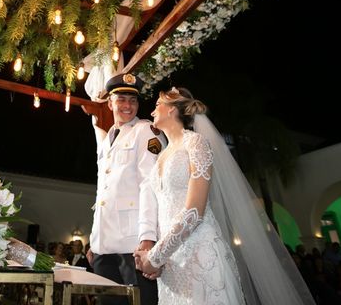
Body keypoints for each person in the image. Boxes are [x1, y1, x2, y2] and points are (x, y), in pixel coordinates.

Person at [133, 87, 315, 305]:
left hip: (201, 255)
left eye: (157, 105)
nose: (152, 111)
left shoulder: (196, 143)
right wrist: (156, 258)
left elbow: (193, 212)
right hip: (172, 264)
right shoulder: (161, 157)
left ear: (172, 109)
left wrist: (154, 257)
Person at [87, 73, 167, 305]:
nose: (127, 105)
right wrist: (94, 240)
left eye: (133, 101)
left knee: (141, 301)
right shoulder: (107, 139)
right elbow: (103, 192)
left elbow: (150, 186)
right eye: (121, 99)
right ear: (110, 102)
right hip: (104, 243)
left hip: (133, 243)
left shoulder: (146, 131)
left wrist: (148, 238)